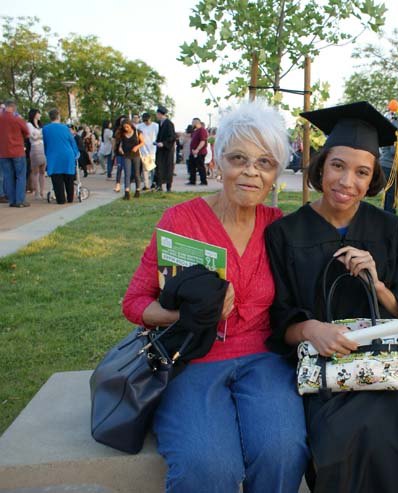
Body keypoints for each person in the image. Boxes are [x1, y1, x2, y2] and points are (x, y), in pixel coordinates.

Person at [122, 100, 309, 492]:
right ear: (218, 161)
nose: (251, 172)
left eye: (265, 163)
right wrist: (185, 316)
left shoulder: (279, 227)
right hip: (192, 356)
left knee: (283, 451)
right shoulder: (181, 221)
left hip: (263, 358)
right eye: (238, 158)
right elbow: (135, 302)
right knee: (207, 465)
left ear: (276, 173)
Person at [265, 101, 398, 493]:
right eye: (337, 166)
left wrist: (377, 286)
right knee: (341, 442)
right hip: (324, 375)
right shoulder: (285, 234)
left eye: (361, 172)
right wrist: (311, 328)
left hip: (383, 371)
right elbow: (276, 317)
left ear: (372, 180)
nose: (347, 181)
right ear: (321, 167)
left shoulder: (392, 231)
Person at [42, 109, 79, 204]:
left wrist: (46, 153)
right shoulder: (65, 128)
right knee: (69, 178)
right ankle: (70, 198)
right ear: (58, 117)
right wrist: (76, 153)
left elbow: (45, 143)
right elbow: (72, 141)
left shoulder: (45, 129)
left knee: (57, 179)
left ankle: (61, 200)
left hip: (53, 156)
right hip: (67, 155)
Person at [0, 99, 31, 207]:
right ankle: (20, 200)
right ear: (14, 107)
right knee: (20, 176)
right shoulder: (16, 119)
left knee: (8, 177)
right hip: (17, 150)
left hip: (3, 152)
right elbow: (27, 133)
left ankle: (12, 200)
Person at [115, 118, 143, 200]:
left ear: (130, 125)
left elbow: (142, 142)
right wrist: (120, 149)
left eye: (127, 127)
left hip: (136, 155)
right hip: (126, 155)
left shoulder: (137, 132)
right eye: (124, 127)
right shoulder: (122, 134)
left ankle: (137, 190)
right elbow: (120, 144)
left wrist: (137, 147)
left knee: (137, 173)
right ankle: (127, 191)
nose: (126, 129)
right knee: (127, 173)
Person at [26, 109, 47, 200]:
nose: (40, 115)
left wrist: (39, 136)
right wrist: (40, 136)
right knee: (35, 172)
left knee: (42, 171)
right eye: (38, 113)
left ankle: (42, 191)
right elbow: (33, 137)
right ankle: (36, 191)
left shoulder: (41, 125)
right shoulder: (29, 125)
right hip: (35, 148)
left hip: (43, 148)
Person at [155, 106, 176, 191]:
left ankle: (168, 186)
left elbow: (172, 137)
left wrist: (163, 143)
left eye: (157, 114)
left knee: (168, 167)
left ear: (160, 114)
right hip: (159, 149)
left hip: (167, 149)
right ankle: (159, 185)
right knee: (159, 167)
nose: (156, 115)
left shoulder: (169, 124)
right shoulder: (158, 123)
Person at [137, 112, 159, 191]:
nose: (146, 122)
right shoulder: (140, 126)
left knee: (153, 169)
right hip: (144, 150)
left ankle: (153, 183)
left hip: (153, 149)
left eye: (147, 120)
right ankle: (146, 185)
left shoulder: (155, 126)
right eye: (145, 121)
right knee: (145, 169)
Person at [188, 117, 209, 185]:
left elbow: (202, 141)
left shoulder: (202, 130)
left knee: (200, 167)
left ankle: (203, 181)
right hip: (193, 152)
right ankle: (192, 180)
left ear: (196, 122)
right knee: (192, 167)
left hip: (199, 152)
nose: (192, 124)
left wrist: (197, 149)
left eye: (193, 122)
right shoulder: (195, 131)